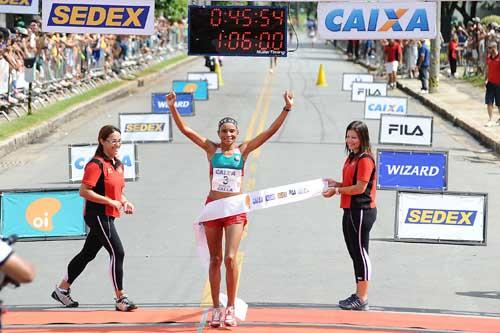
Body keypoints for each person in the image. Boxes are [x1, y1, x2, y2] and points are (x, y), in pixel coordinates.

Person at [166, 90, 294, 327]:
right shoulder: (211, 149)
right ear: (218, 134)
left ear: (237, 135)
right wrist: (173, 107)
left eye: (232, 131)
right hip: (213, 209)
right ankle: (216, 307)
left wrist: (286, 108)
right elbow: (186, 131)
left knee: (230, 258)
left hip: (234, 209)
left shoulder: (243, 151)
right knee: (215, 259)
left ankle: (231, 307)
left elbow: (269, 132)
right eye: (224, 131)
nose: (228, 135)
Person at [51, 125, 137, 312]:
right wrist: (109, 201)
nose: (117, 144)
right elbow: (84, 191)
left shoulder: (118, 165)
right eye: (113, 141)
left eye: (119, 141)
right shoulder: (95, 164)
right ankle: (120, 297)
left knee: (87, 254)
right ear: (102, 141)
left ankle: (61, 290)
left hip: (109, 215)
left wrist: (125, 202)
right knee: (117, 252)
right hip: (97, 214)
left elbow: (118, 192)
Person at [323, 121, 377, 311]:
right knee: (354, 253)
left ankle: (362, 298)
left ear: (362, 138)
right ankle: (358, 293)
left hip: (361, 210)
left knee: (361, 253)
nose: (350, 141)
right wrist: (336, 183)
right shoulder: (351, 158)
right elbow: (350, 183)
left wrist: (337, 190)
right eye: (348, 137)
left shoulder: (365, 159)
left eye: (354, 137)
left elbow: (360, 188)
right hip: (349, 209)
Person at [484, 41, 500, 127]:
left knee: (499, 103)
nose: (488, 49)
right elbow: (487, 69)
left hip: (498, 84)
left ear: (494, 48)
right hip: (490, 83)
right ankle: (490, 119)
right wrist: (485, 79)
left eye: (490, 48)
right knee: (489, 102)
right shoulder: (488, 58)